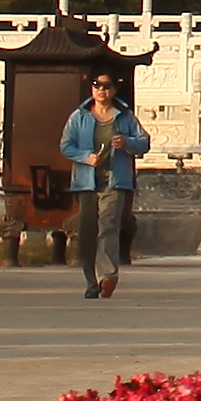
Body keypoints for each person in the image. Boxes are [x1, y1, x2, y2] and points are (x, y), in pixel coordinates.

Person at [62, 73, 147, 299]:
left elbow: (144, 142)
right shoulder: (79, 117)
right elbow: (66, 146)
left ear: (113, 89)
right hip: (86, 182)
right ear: (91, 89)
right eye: (97, 85)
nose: (101, 90)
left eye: (106, 86)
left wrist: (127, 142)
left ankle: (108, 276)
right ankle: (91, 281)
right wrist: (84, 156)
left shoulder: (125, 117)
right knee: (87, 232)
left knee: (108, 226)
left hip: (114, 180)